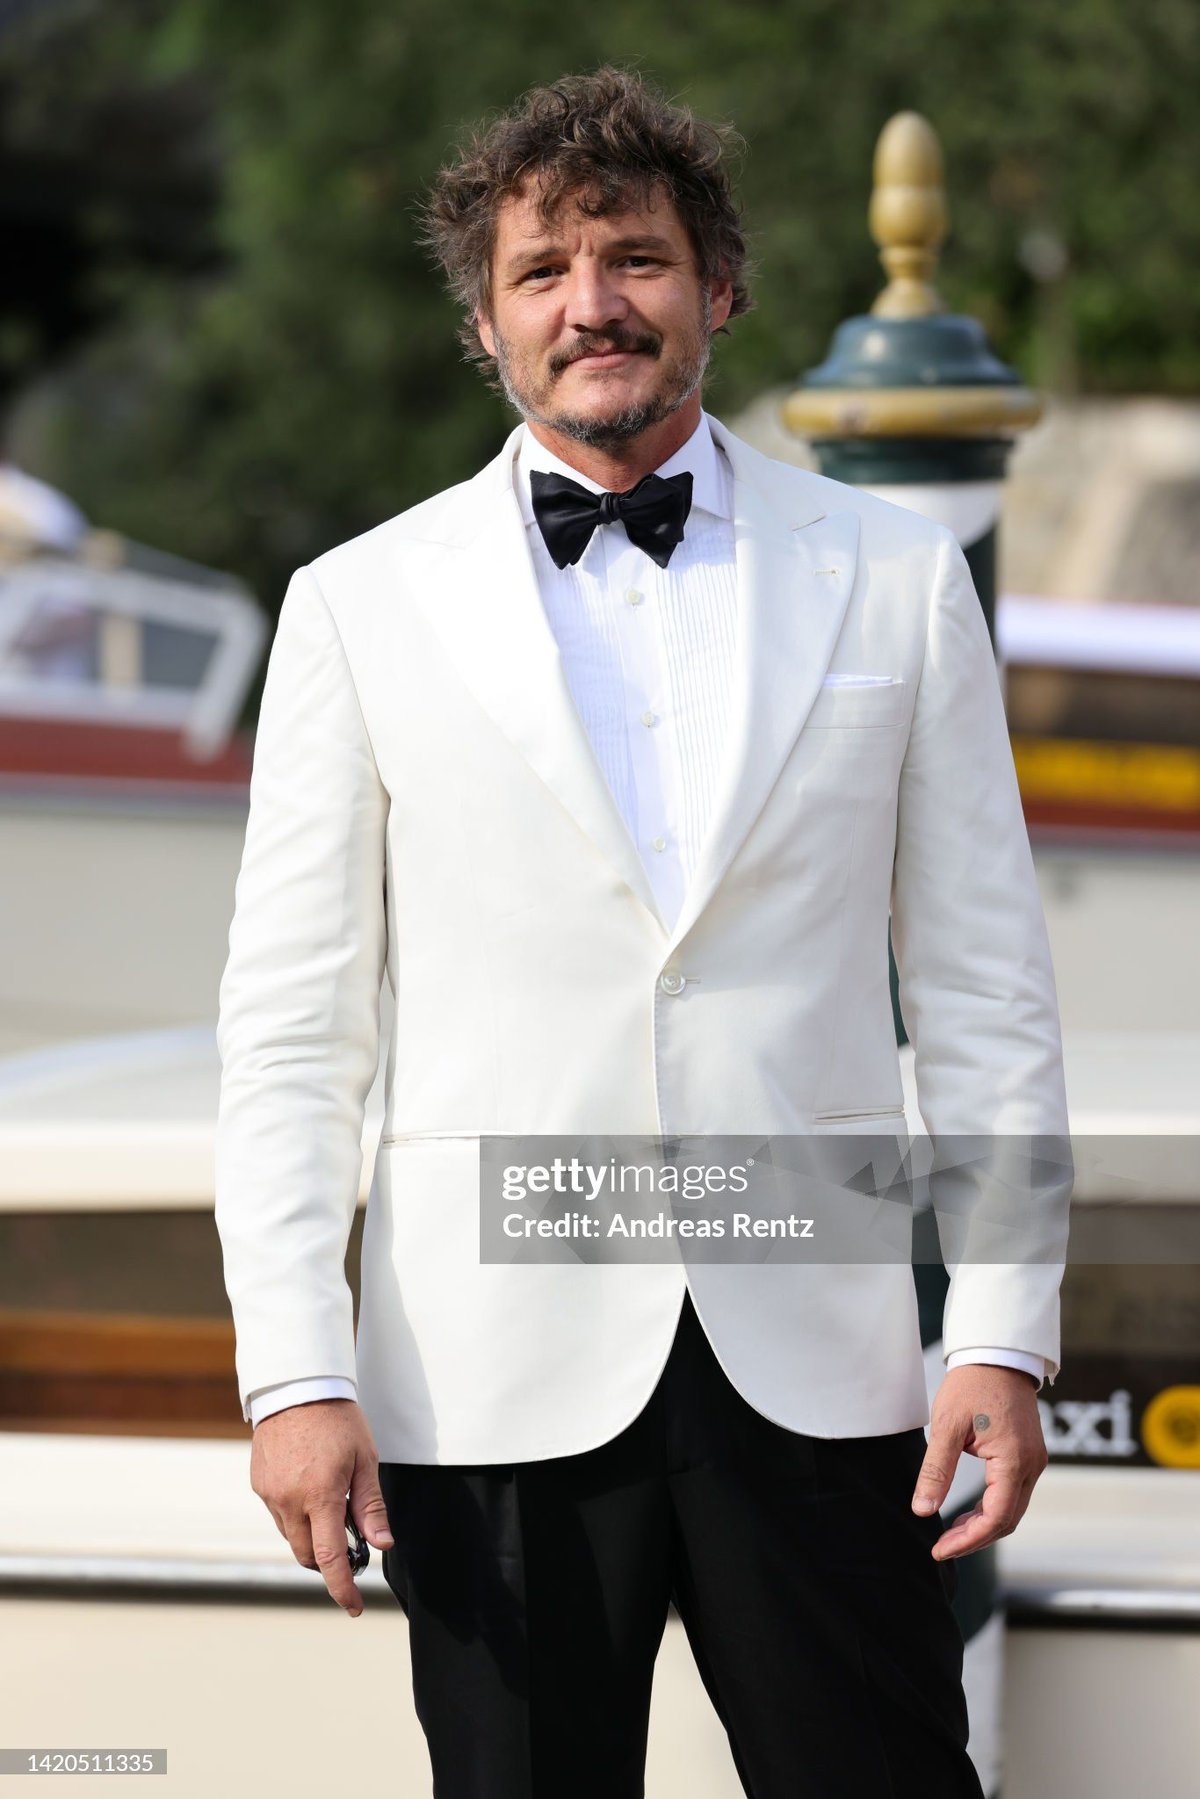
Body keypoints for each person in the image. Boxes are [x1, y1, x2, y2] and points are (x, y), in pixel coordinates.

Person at [214, 66, 1070, 1799]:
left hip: (823, 1365)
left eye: (636, 258)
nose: (591, 303)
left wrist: (998, 1326)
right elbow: (296, 1033)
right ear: (487, 321)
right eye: (542, 270)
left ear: (718, 287)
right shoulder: (355, 606)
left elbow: (987, 990)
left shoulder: (898, 579)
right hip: (488, 1371)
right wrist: (291, 1371)